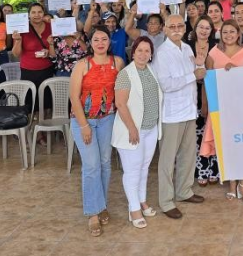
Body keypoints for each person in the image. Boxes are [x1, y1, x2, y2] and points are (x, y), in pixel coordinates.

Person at [69, 26, 123, 237]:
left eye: (104, 39)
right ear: (90, 43)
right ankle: (92, 213)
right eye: (96, 39)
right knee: (91, 166)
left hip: (107, 119)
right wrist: (84, 126)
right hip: (84, 121)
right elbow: (74, 98)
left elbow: (122, 91)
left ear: (110, 42)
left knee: (105, 163)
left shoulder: (117, 62)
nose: (100, 43)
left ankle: (101, 205)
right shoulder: (82, 65)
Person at [154, 14, 206, 219]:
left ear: (184, 28)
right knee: (167, 161)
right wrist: (193, 75)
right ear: (165, 29)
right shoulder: (162, 53)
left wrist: (199, 65)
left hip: (189, 110)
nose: (176, 29)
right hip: (171, 114)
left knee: (188, 155)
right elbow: (166, 84)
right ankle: (166, 201)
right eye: (172, 26)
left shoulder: (187, 49)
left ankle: (184, 191)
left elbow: (198, 76)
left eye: (180, 26)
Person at [203, 20, 243, 204]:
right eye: (225, 32)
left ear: (238, 33)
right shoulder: (213, 53)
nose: (228, 35)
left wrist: (236, 73)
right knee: (226, 148)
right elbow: (208, 81)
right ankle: (232, 184)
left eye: (232, 31)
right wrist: (206, 105)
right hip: (220, 108)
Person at [113, 36, 162, 229]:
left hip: (150, 129)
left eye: (147, 51)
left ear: (151, 54)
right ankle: (133, 209)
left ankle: (142, 200)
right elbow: (120, 103)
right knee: (132, 171)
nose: (143, 54)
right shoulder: (125, 74)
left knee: (143, 168)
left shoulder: (151, 70)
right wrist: (132, 128)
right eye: (139, 50)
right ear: (133, 53)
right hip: (132, 131)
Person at [187, 16, 219, 186]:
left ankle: (214, 170)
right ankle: (201, 170)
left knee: (212, 133)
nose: (204, 30)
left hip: (212, 93)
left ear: (212, 30)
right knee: (197, 135)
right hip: (192, 94)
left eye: (208, 28)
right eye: (201, 27)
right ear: (195, 28)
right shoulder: (186, 46)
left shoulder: (216, 46)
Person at [12, 3, 55, 112]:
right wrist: (18, 41)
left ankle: (46, 120)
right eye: (33, 12)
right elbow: (16, 54)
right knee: (31, 102)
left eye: (40, 12)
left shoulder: (51, 26)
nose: (37, 15)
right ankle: (33, 120)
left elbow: (56, 51)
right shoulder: (22, 28)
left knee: (47, 102)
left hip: (47, 69)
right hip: (28, 70)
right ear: (29, 14)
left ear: (43, 13)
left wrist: (49, 50)